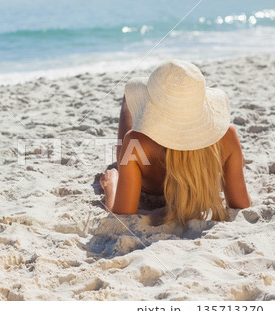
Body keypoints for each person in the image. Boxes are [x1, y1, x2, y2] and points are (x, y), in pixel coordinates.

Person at [99, 60, 251, 225]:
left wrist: (110, 186)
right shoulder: (227, 135)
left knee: (127, 100)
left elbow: (121, 221)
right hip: (197, 179)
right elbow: (241, 206)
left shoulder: (135, 142)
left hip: (148, 186)